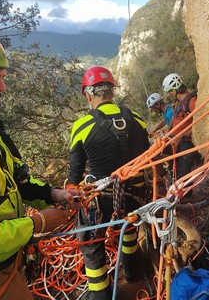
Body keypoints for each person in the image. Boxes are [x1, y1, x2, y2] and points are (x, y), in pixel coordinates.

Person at [0, 30, 78, 299]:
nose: (1, 87)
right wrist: (36, 224)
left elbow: (18, 181)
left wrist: (53, 194)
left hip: (10, 264)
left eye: (2, 77)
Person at [68, 65, 150, 300]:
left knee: (92, 244)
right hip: (135, 195)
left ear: (88, 94)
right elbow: (147, 157)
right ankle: (133, 273)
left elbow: (74, 176)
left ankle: (101, 294)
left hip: (100, 200)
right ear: (112, 92)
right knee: (130, 231)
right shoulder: (137, 121)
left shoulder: (82, 127)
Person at [162, 73, 201, 180]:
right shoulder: (179, 103)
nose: (170, 94)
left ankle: (186, 194)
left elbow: (199, 124)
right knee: (172, 168)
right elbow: (175, 119)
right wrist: (168, 133)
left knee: (183, 175)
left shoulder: (191, 102)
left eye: (170, 91)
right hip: (176, 141)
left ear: (174, 90)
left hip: (185, 143)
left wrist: (182, 136)